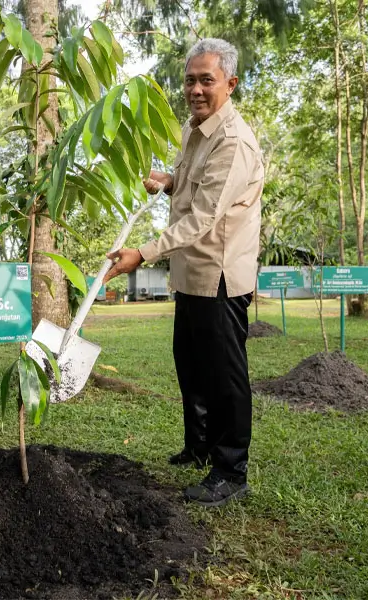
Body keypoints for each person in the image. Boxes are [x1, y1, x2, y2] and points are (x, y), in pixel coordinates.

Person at [105, 39, 264, 507]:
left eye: (206, 80)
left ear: (230, 84)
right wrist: (169, 180)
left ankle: (230, 470)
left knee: (224, 375)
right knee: (191, 368)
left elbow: (203, 219)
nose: (195, 89)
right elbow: (193, 187)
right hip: (190, 274)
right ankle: (199, 447)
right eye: (190, 80)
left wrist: (142, 253)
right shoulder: (196, 130)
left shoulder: (233, 142)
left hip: (218, 276)